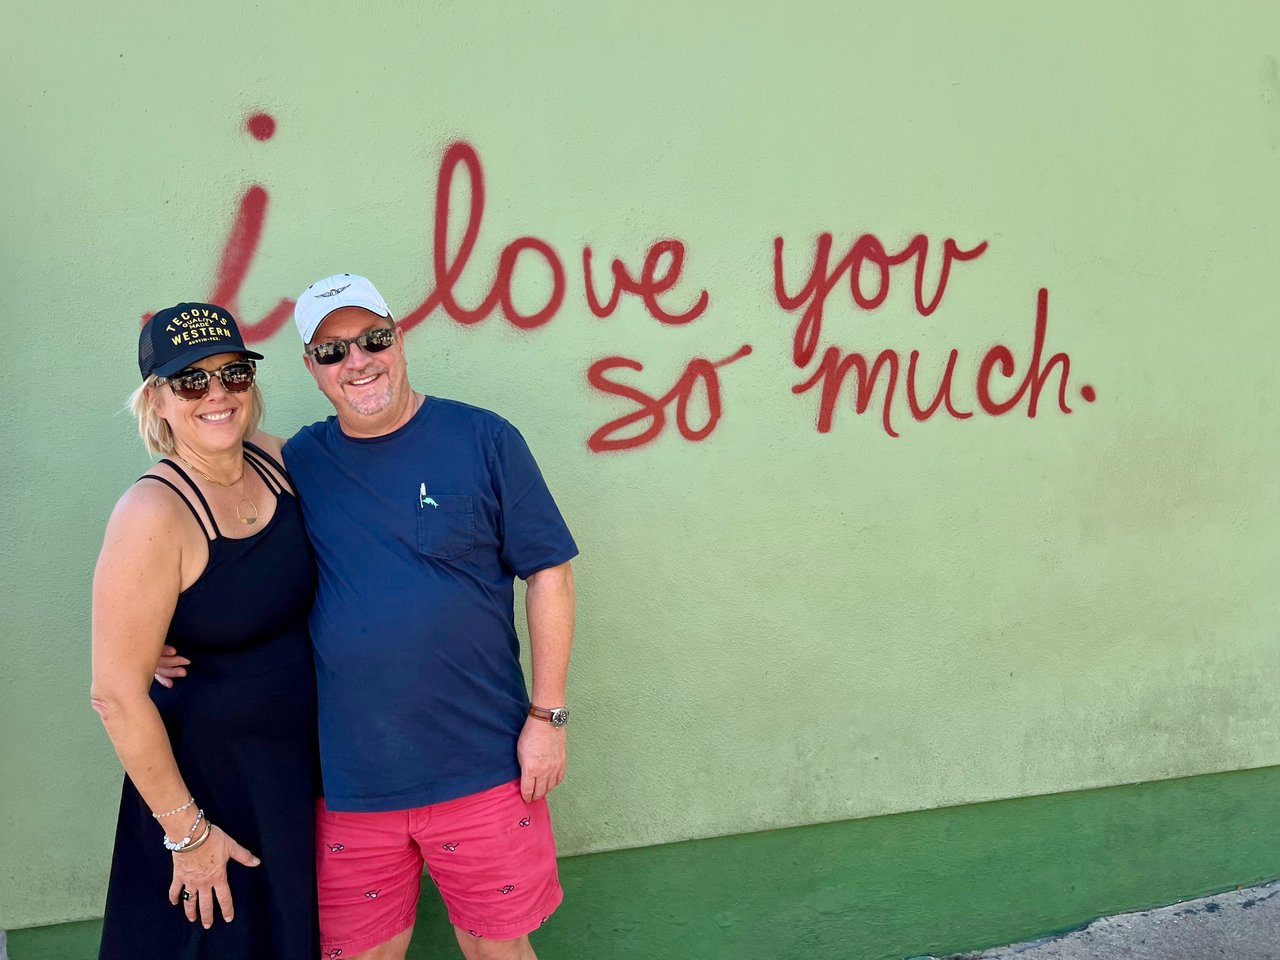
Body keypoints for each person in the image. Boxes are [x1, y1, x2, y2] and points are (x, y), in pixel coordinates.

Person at [158, 274, 578, 960]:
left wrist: (548, 716)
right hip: (349, 783)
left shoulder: (484, 438)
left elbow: (550, 574)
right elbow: (207, 510)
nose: (357, 361)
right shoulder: (294, 460)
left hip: (484, 764)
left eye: (372, 339)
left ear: (400, 339)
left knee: (498, 950)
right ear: (311, 369)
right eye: (332, 351)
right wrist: (151, 637)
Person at [91, 304, 319, 959]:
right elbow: (115, 694)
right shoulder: (153, 513)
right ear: (157, 400)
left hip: (294, 777)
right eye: (191, 381)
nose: (217, 394)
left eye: (233, 374)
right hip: (209, 792)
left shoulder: (282, 463)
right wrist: (187, 836)